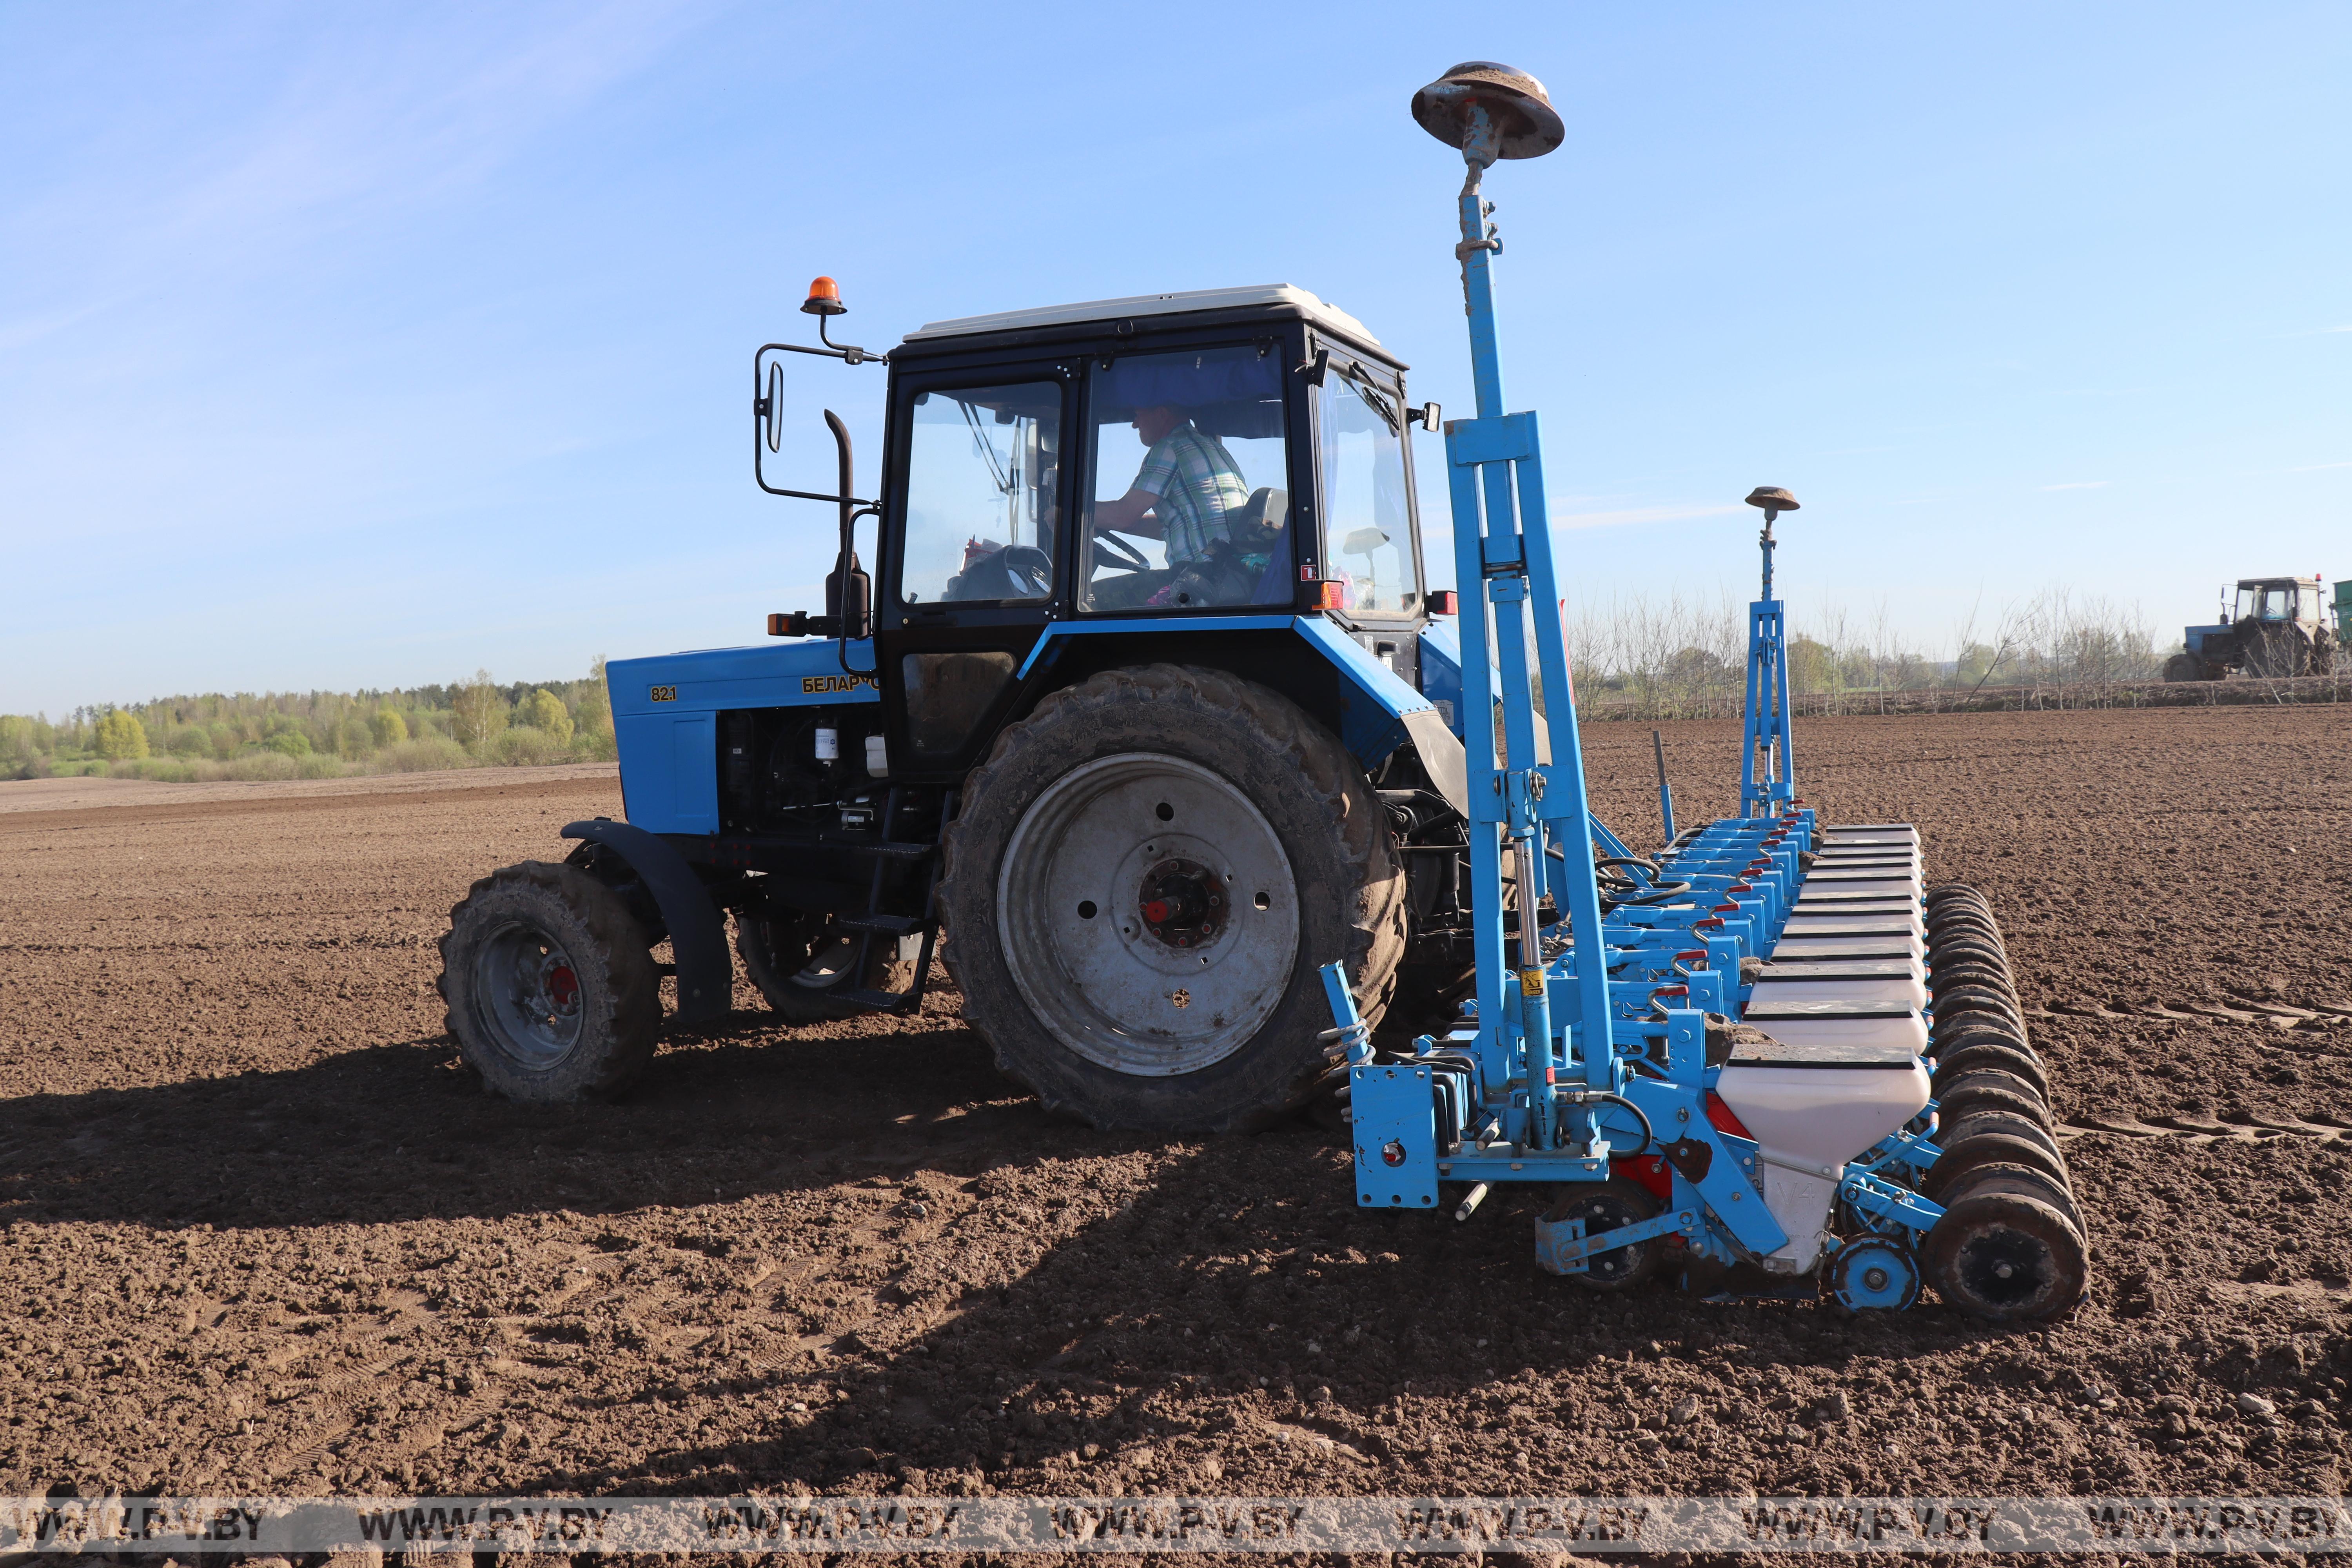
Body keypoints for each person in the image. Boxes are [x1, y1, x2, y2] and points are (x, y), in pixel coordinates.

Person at [1089, 404, 1262, 607]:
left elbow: (1124, 516)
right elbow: (1177, 524)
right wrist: (1109, 523)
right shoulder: (1211, 447)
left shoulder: (1171, 446)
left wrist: (1069, 514)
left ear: (1162, 413)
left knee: (1089, 597)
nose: (1135, 425)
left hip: (1199, 579)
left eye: (1138, 415)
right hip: (1226, 576)